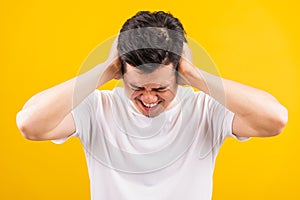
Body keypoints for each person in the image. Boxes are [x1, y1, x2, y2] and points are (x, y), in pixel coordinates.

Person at [16, 11, 288, 200]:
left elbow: (274, 119)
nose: (148, 98)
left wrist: (195, 75)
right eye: (137, 88)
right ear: (120, 72)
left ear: (179, 75)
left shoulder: (206, 110)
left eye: (160, 89)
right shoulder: (97, 109)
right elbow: (30, 124)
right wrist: (103, 71)